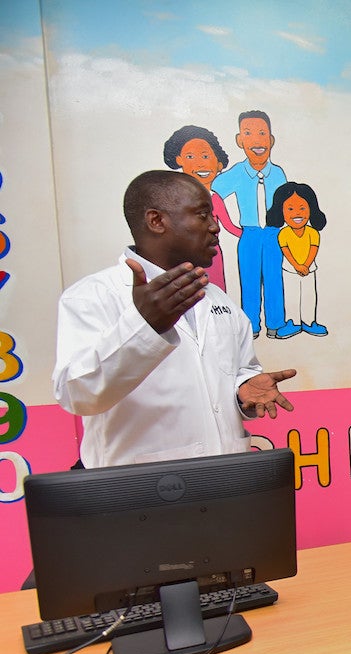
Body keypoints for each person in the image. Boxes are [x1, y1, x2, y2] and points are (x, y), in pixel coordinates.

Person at [52, 170, 296, 470]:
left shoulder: (219, 300)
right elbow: (77, 395)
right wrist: (147, 326)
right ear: (157, 221)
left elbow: (236, 372)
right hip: (137, 493)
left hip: (223, 483)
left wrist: (243, 391)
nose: (214, 227)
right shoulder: (93, 296)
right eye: (202, 215)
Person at [212, 110, 295, 339]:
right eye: (249, 133)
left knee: (273, 279)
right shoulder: (237, 173)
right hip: (249, 234)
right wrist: (230, 227)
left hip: (273, 234)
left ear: (271, 140)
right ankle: (251, 327)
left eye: (262, 133)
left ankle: (276, 325)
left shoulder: (277, 173)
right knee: (249, 281)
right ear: (240, 140)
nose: (257, 140)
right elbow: (215, 196)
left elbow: (286, 203)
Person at [162, 125, 241, 292]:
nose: (200, 163)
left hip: (212, 255)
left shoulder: (215, 198)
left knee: (216, 295)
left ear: (219, 164)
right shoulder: (177, 200)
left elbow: (229, 226)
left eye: (206, 156)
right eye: (190, 156)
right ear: (179, 160)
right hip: (183, 255)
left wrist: (250, 234)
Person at [266, 181, 329, 336]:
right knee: (291, 295)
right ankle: (292, 322)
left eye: (302, 208)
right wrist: (297, 266)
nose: (297, 213)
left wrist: (305, 265)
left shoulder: (313, 233)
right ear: (281, 211)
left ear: (311, 210)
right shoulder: (284, 234)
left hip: (309, 269)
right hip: (290, 270)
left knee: (309, 295)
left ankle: (309, 322)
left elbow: (313, 249)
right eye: (290, 209)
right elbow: (286, 251)